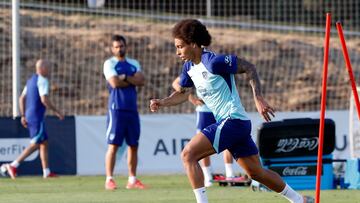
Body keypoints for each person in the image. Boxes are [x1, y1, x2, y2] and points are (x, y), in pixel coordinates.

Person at [150, 19, 314, 203]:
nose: (177, 52)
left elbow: (249, 67)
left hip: (232, 120)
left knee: (188, 155)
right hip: (234, 124)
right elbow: (182, 93)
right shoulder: (189, 67)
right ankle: (300, 200)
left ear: (194, 44)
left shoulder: (214, 62)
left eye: (180, 47)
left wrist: (258, 98)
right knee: (256, 173)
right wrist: (162, 102)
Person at [0, 59, 64, 179]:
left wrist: (23, 115)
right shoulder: (43, 80)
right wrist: (57, 111)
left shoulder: (30, 81)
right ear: (42, 68)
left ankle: (46, 172)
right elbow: (44, 99)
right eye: (48, 67)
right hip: (37, 116)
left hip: (30, 115)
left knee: (44, 142)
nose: (50, 70)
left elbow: (21, 98)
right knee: (36, 143)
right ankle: (13, 165)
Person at [172, 77, 238, 187]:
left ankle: (230, 175)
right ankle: (208, 177)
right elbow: (176, 83)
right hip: (205, 112)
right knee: (202, 142)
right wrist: (189, 96)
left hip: (222, 110)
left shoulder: (216, 65)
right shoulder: (194, 68)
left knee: (228, 141)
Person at [103, 35, 146, 190]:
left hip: (132, 110)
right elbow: (114, 83)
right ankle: (109, 179)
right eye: (116, 46)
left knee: (133, 145)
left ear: (125, 46)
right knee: (113, 145)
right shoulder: (109, 63)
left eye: (121, 46)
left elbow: (141, 81)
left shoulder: (134, 63)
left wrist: (125, 77)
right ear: (112, 48)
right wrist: (130, 79)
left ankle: (132, 180)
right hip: (117, 109)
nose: (119, 49)